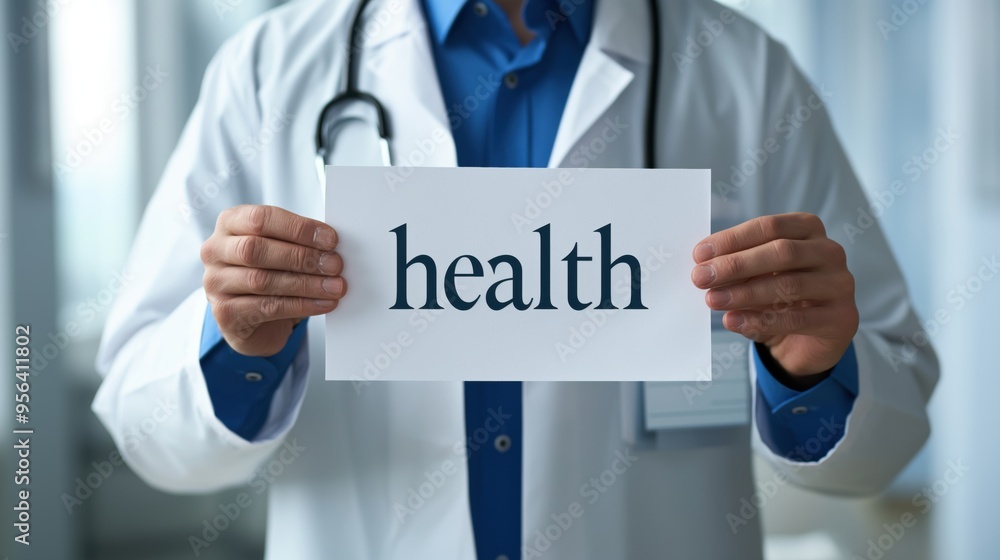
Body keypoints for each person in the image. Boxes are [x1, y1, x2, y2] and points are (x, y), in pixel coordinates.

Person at [92, 0, 939, 558]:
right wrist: (232, 343)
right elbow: (143, 418)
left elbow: (885, 436)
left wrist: (816, 369)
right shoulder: (269, 69)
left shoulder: (744, 72)